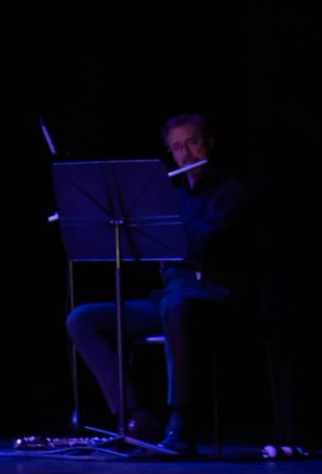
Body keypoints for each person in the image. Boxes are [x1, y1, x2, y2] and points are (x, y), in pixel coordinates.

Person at [65, 112, 255, 455]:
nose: (186, 154)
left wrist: (165, 238)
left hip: (212, 295)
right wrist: (127, 230)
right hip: (169, 294)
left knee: (176, 306)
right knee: (82, 319)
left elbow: (205, 243)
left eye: (193, 142)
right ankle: (134, 417)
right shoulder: (173, 196)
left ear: (209, 143)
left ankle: (182, 423)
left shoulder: (232, 190)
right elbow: (152, 258)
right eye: (177, 147)